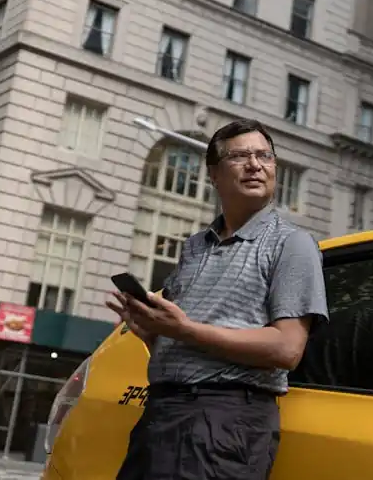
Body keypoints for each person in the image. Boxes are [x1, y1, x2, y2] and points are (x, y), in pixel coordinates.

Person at [107, 118, 328, 480]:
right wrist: (152, 333)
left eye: (265, 156)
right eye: (240, 156)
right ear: (214, 174)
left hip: (225, 421)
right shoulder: (195, 246)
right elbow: (187, 336)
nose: (255, 165)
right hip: (162, 411)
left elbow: (287, 349)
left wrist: (185, 330)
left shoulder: (292, 244)